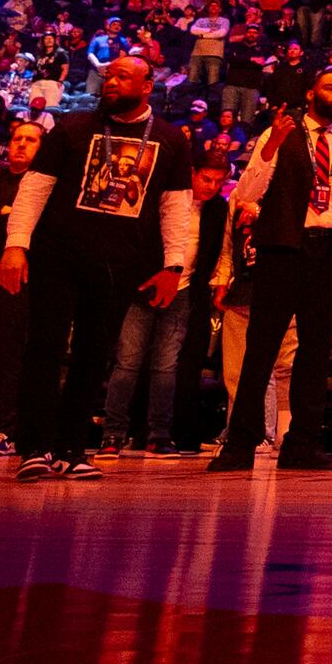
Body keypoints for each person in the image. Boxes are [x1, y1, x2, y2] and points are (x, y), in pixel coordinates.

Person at [0, 54, 195, 483]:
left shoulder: (170, 140)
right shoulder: (71, 128)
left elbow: (176, 207)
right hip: (58, 255)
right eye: (109, 75)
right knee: (44, 347)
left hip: (121, 262)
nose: (111, 81)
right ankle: (33, 446)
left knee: (94, 355)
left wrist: (174, 265)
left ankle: (71, 448)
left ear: (146, 86)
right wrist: (16, 246)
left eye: (123, 76)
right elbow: (33, 190)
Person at [210, 69, 332, 474]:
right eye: (330, 87)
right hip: (282, 250)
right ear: (311, 93)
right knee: (261, 350)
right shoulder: (280, 134)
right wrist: (271, 145)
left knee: (315, 353)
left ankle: (302, 443)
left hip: (330, 253)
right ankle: (240, 443)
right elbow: (248, 194)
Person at [100, 157, 228, 455]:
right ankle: (113, 433)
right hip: (144, 287)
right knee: (128, 363)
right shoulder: (167, 198)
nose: (211, 187)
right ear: (192, 172)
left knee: (166, 366)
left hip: (183, 291)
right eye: (206, 179)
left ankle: (159, 434)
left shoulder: (217, 208)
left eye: (218, 181)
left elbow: (214, 250)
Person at [0, 119, 42, 453]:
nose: (21, 144)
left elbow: (35, 226)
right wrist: (3, 212)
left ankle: (3, 431)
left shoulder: (44, 188)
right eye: (18, 138)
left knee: (9, 358)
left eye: (30, 140)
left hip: (14, 283)